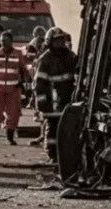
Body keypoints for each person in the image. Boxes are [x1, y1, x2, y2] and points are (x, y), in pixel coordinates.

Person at [32, 27, 78, 161]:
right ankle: (52, 155)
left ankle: (63, 156)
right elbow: (39, 84)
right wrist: (41, 102)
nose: (60, 43)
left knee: (66, 130)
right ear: (50, 42)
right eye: (57, 40)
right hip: (52, 103)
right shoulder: (45, 59)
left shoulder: (71, 56)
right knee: (52, 130)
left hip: (67, 101)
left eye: (61, 40)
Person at [0, 31, 30, 145]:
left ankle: (10, 136)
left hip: (13, 89)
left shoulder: (18, 54)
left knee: (13, 113)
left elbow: (24, 69)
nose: (3, 43)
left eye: (5, 41)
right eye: (1, 41)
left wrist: (28, 83)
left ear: (11, 41)